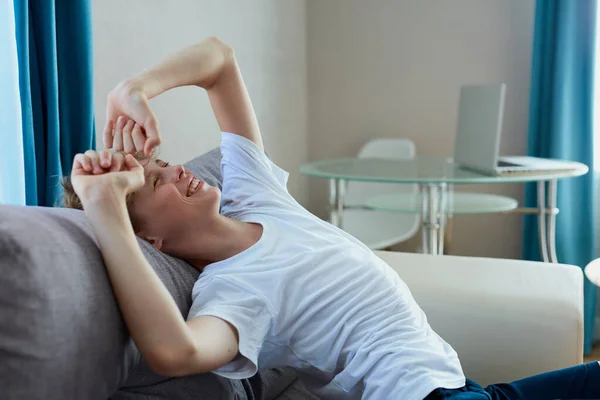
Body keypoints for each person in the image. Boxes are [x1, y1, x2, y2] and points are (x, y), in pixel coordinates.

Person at [63, 37, 600, 400]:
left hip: (463, 385)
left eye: (162, 160)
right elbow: (173, 351)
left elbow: (219, 59)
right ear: (151, 239)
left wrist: (133, 90)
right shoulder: (234, 294)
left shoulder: (253, 194)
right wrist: (106, 204)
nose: (176, 168)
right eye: (156, 181)